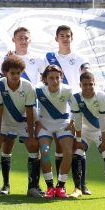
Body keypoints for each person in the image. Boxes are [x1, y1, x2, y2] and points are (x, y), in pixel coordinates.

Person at [43, 25, 91, 195]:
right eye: (61, 35)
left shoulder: (79, 57)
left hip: (76, 105)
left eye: (68, 35)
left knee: (78, 145)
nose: (65, 38)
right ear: (56, 38)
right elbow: (42, 79)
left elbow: (87, 74)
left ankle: (81, 184)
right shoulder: (49, 57)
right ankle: (58, 185)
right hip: (56, 107)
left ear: (72, 38)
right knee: (58, 148)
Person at [0, 56, 41, 198]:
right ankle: (1, 186)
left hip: (22, 122)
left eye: (18, 73)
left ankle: (32, 187)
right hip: (4, 122)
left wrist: (32, 137)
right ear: (5, 73)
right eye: (12, 73)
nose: (15, 76)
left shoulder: (28, 87)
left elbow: (29, 111)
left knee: (34, 147)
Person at [69, 72, 105, 199]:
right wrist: (78, 139)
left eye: (90, 84)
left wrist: (104, 139)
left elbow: (102, 120)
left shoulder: (102, 97)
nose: (88, 87)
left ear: (94, 84)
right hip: (84, 131)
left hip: (101, 130)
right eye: (85, 85)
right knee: (77, 154)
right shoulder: (75, 98)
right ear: (80, 85)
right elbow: (78, 120)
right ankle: (77, 188)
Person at [35, 65, 74, 199]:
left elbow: (75, 108)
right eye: (51, 78)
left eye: (57, 77)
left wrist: (72, 122)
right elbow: (29, 105)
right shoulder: (39, 90)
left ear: (61, 78)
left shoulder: (68, 90)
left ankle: (61, 186)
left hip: (63, 124)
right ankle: (50, 187)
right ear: (45, 79)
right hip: (45, 124)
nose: (55, 81)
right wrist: (37, 121)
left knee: (68, 153)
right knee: (45, 152)